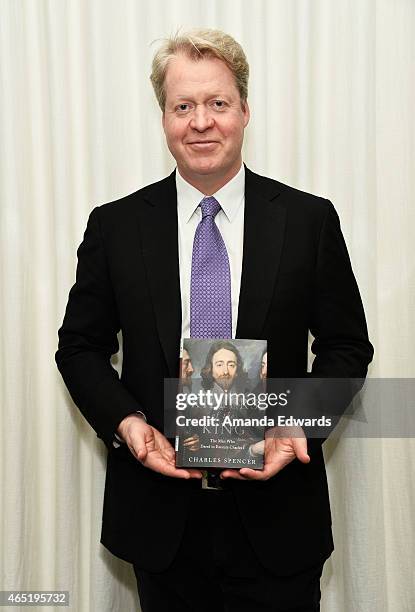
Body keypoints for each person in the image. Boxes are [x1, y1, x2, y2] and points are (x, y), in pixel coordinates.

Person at [56, 28, 373, 611]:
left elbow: (347, 347)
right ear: (164, 118)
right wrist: (126, 424)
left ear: (245, 111)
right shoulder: (115, 227)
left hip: (278, 521)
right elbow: (78, 347)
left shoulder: (308, 221)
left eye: (217, 103)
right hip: (161, 521)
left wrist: (299, 425)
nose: (200, 121)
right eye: (183, 106)